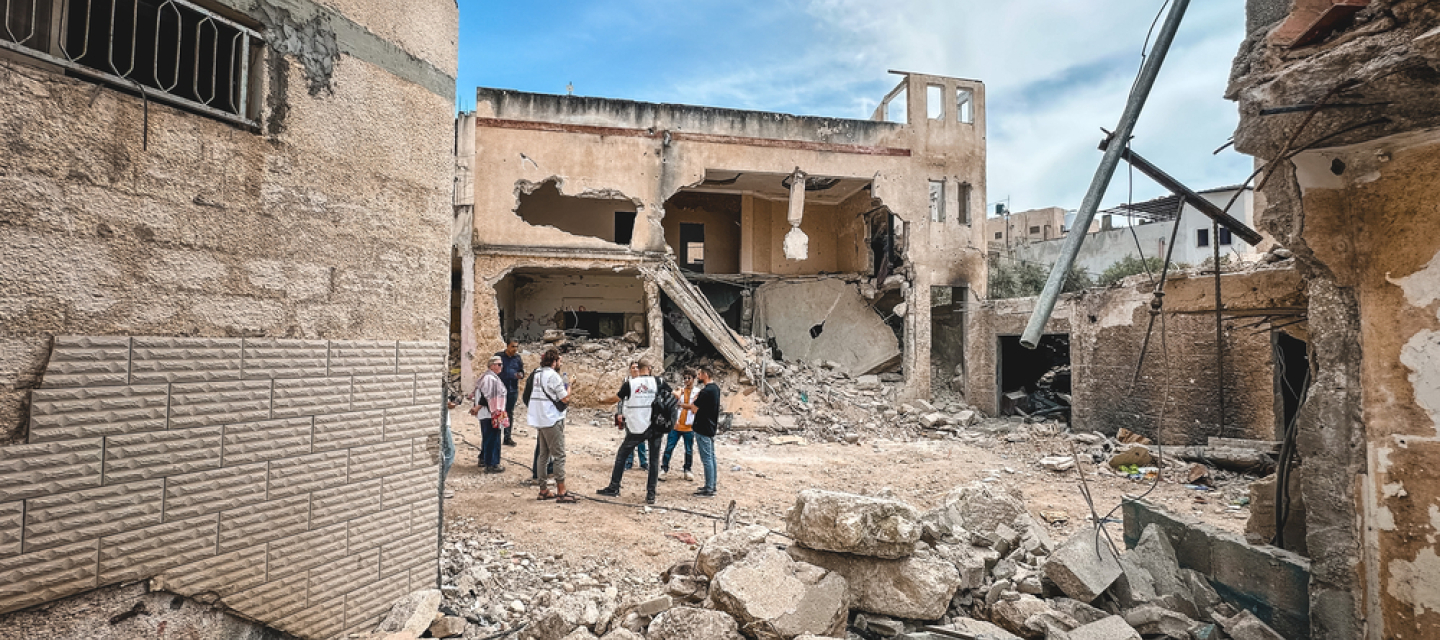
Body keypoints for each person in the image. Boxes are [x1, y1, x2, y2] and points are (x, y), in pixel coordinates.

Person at [597, 360, 665, 504]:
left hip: (637, 427)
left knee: (622, 454)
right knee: (653, 460)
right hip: (655, 426)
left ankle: (614, 486)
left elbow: (616, 399)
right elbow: (673, 395)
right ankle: (651, 494)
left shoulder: (631, 384)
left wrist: (601, 400)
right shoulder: (658, 381)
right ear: (649, 368)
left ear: (639, 370)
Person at [526, 348, 574, 503]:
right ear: (554, 361)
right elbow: (565, 398)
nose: (560, 363)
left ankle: (543, 490)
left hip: (540, 417)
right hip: (552, 418)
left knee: (543, 455)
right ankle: (561, 491)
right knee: (559, 455)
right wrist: (570, 385)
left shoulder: (537, 374)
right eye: (559, 360)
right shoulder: (553, 376)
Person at [684, 365, 721, 497]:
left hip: (703, 428)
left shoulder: (706, 392)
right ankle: (712, 485)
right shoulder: (715, 389)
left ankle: (709, 488)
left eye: (699, 374)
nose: (698, 377)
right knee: (711, 457)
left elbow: (694, 408)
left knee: (707, 459)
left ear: (705, 374)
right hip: (710, 427)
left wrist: (693, 400)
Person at [660, 369, 698, 482]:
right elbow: (673, 403)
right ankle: (664, 468)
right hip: (676, 424)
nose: (686, 380)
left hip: (689, 425)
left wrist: (682, 404)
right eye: (685, 378)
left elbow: (694, 408)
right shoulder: (680, 391)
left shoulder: (697, 392)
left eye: (689, 378)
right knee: (669, 448)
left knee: (689, 450)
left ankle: (688, 469)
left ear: (694, 379)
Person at [472, 356, 508, 473]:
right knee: (493, 438)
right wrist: (478, 406)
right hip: (491, 412)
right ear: (492, 365)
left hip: (489, 412)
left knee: (488, 437)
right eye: (498, 364)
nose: (501, 366)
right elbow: (488, 396)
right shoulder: (489, 379)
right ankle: (491, 464)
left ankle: (484, 459)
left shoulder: (489, 377)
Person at [617, 362, 648, 471]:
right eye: (633, 367)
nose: (635, 369)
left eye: (637, 367)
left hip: (640, 414)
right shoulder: (626, 382)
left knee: (641, 439)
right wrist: (619, 412)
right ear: (630, 369)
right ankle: (629, 461)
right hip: (628, 413)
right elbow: (620, 399)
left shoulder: (643, 382)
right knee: (630, 438)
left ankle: (643, 462)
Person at [496, 340, 525, 446]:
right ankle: (496, 435)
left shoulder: (517, 358)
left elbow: (522, 371)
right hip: (499, 390)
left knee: (509, 413)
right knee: (498, 412)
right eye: (513, 346)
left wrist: (520, 375)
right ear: (507, 346)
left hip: (512, 389)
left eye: (516, 347)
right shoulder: (499, 357)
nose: (515, 349)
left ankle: (507, 437)